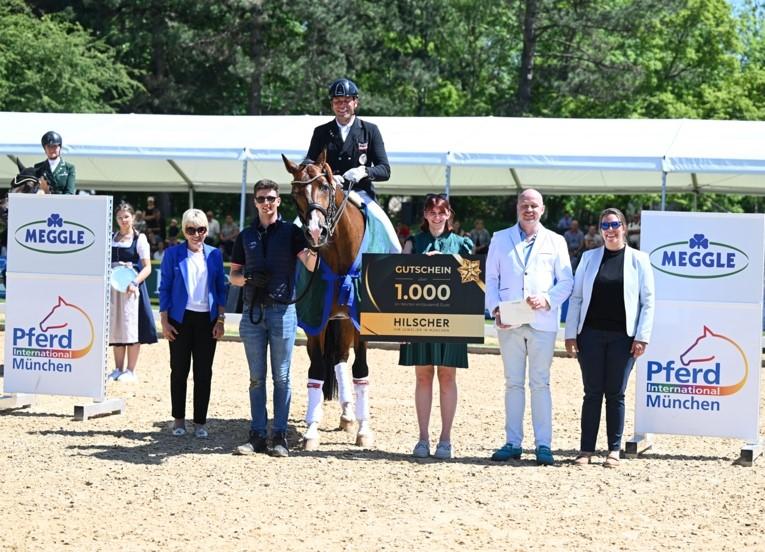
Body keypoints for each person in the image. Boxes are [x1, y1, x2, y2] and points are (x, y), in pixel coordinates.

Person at [485, 189, 573, 466]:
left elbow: (566, 282)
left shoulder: (556, 241)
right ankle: (513, 442)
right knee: (513, 383)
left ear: (542, 209)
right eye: (525, 205)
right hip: (509, 320)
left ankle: (543, 445)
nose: (529, 210)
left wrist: (547, 299)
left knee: (540, 383)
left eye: (534, 205)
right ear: (517, 207)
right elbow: (491, 278)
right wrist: (495, 308)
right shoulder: (500, 238)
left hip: (542, 321)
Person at [231, 180, 316, 457]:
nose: (266, 203)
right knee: (256, 378)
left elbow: (311, 264)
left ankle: (279, 435)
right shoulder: (246, 236)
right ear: (255, 202)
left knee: (282, 377)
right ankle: (257, 434)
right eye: (261, 199)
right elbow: (233, 276)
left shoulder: (292, 233)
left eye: (270, 198)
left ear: (278, 201)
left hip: (282, 312)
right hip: (252, 313)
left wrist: (315, 241)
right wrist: (247, 278)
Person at [564, 208, 655, 468]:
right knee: (592, 392)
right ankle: (586, 450)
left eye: (615, 224)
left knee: (616, 393)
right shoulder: (588, 258)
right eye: (605, 225)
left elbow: (648, 301)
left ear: (624, 228)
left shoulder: (639, 260)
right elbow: (577, 298)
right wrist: (570, 334)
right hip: (590, 335)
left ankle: (614, 450)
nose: (610, 230)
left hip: (623, 338)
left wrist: (642, 337)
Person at [400, 194, 474, 459]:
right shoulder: (413, 242)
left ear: (449, 214)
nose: (436, 216)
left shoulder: (462, 243)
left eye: (441, 211)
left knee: (447, 377)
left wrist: (449, 260)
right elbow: (399, 276)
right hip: (418, 320)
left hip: (452, 320)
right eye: (432, 211)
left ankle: (445, 440)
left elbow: (472, 281)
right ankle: (422, 439)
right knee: (422, 377)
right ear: (425, 214)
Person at [304, 77, 401, 254]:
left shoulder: (370, 130)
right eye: (337, 101)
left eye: (346, 100)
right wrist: (326, 176)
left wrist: (364, 171)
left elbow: (385, 169)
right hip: (327, 194)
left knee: (395, 245)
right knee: (298, 234)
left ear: (355, 102)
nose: (342, 105)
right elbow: (308, 163)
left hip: (361, 194)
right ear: (332, 104)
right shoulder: (321, 132)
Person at [159, 208, 227, 439]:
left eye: (201, 229)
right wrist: (164, 322)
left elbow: (220, 289)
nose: (196, 234)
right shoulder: (172, 254)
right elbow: (165, 288)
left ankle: (200, 422)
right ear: (184, 230)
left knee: (203, 372)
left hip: (207, 320)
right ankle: (178, 419)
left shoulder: (215, 255)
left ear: (207, 230)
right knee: (178, 370)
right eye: (191, 230)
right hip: (180, 319)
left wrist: (220, 320)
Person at [108, 202, 157, 382]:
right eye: (120, 217)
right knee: (117, 326)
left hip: (132, 288)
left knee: (132, 327)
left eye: (126, 217)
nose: (123, 220)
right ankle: (118, 368)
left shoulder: (139, 239)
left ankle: (131, 370)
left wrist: (134, 282)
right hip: (115, 288)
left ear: (133, 218)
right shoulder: (112, 237)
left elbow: (147, 267)